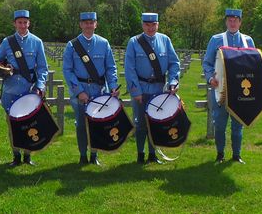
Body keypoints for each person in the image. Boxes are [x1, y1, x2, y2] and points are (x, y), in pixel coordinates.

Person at [0, 9, 49, 167]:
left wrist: (39, 85)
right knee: (13, 124)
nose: (23, 25)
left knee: (30, 123)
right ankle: (16, 155)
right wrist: (1, 68)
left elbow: (43, 68)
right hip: (10, 90)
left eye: (25, 22)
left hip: (29, 90)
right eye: (19, 22)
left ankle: (28, 155)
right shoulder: (7, 42)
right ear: (14, 24)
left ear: (29, 23)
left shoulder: (37, 42)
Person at [62, 12, 119, 166]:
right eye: (85, 22)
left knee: (97, 124)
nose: (88, 25)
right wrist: (79, 91)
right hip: (79, 92)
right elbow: (67, 70)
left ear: (96, 24)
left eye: (91, 22)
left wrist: (113, 86)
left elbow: (110, 68)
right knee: (81, 124)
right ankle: (82, 155)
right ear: (80, 24)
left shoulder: (103, 43)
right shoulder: (72, 45)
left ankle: (94, 155)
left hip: (98, 91)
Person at [124, 12, 180, 164]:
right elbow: (129, 69)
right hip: (141, 90)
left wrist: (173, 81)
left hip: (159, 90)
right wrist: (135, 91)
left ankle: (152, 154)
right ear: (142, 25)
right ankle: (140, 154)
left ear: (158, 25)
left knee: (155, 123)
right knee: (141, 123)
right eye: (147, 25)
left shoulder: (165, 40)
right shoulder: (134, 42)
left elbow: (174, 64)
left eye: (153, 24)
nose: (150, 28)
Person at [202, 8, 256, 164]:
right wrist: (210, 77)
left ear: (240, 22)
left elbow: (253, 64)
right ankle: (220, 154)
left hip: (240, 90)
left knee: (238, 124)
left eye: (236, 20)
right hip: (220, 89)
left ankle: (236, 155)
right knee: (219, 124)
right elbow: (207, 62)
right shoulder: (215, 39)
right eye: (230, 20)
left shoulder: (248, 41)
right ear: (226, 21)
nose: (232, 23)